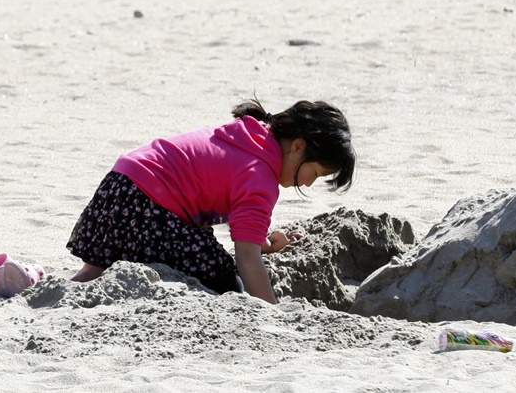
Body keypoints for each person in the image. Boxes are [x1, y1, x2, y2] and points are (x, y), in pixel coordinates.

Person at [61, 98, 356, 302]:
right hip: (149, 207)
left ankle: (63, 287)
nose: (307, 183)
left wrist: (262, 243)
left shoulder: (249, 135)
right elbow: (245, 257)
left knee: (97, 269)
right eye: (314, 173)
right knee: (225, 279)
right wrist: (271, 311)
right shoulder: (261, 176)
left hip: (118, 188)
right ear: (298, 146)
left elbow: (210, 181)